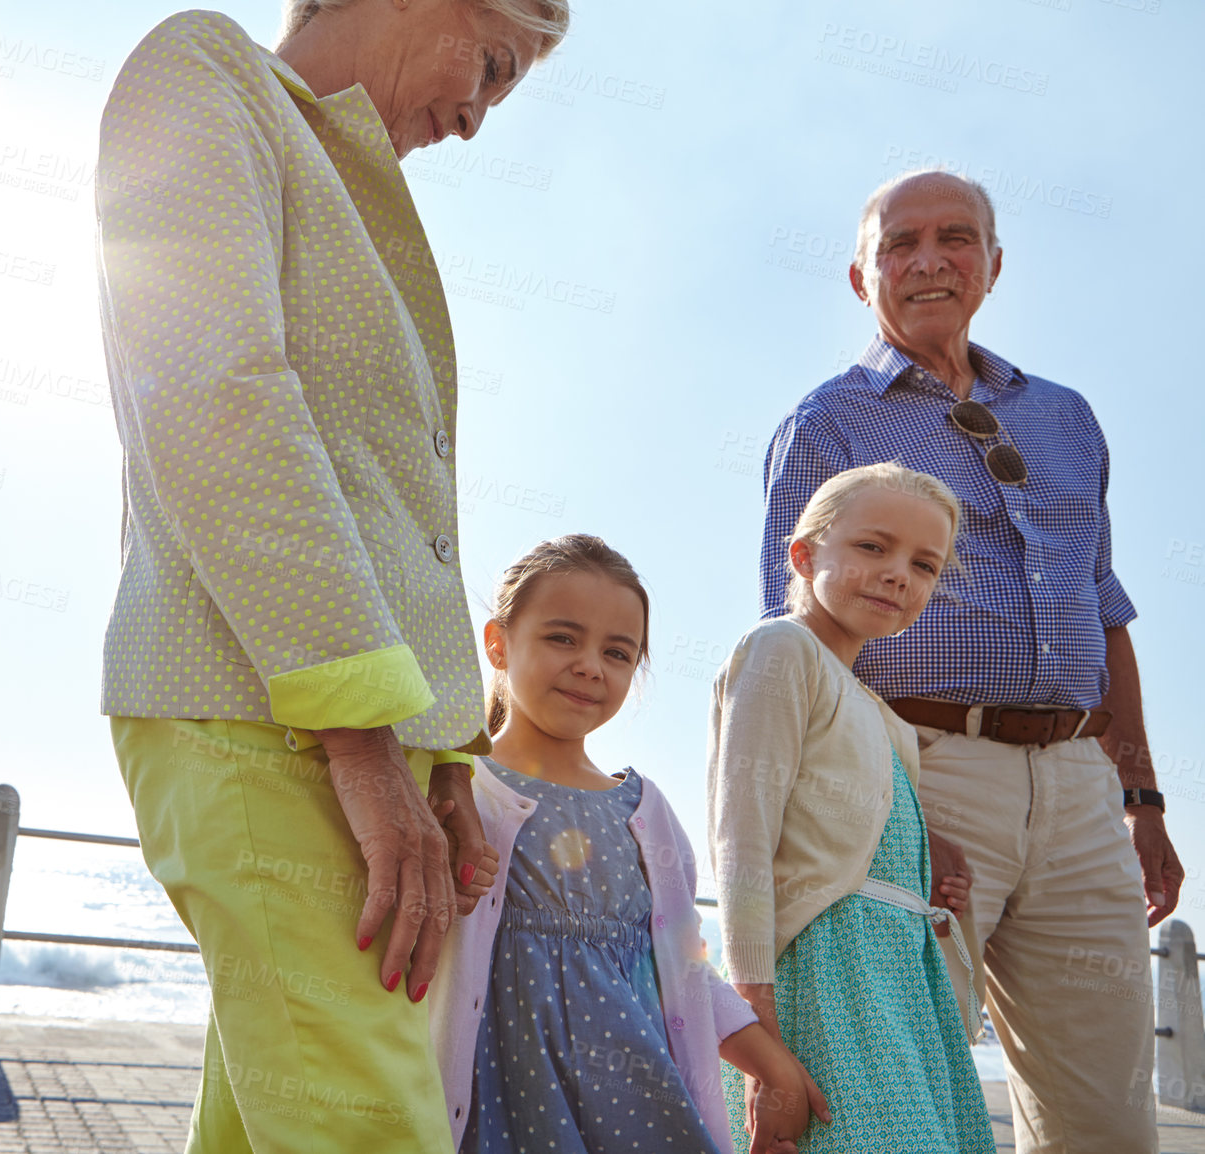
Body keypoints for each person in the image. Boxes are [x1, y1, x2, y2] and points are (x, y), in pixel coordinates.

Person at [93, 1, 569, 1149]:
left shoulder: (335, 167)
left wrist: (442, 750)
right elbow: (215, 386)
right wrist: (363, 742)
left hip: (347, 732)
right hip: (267, 717)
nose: (475, 122)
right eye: (492, 65)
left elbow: (373, 499)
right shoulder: (206, 65)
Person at [759, 168, 1183, 1153]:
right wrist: (893, 812)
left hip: (1082, 784)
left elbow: (1103, 606)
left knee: (1110, 1121)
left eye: (954, 237)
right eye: (897, 243)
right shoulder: (826, 422)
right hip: (921, 771)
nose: (926, 258)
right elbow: (795, 634)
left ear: (993, 264)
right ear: (861, 278)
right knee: (898, 1100)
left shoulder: (1067, 417)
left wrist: (1143, 800)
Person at [429, 534, 826, 1154]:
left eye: (618, 652)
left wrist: (769, 1065)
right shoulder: (456, 788)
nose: (591, 665)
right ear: (498, 644)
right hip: (494, 1111)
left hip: (638, 1112)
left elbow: (682, 967)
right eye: (563, 637)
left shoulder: (646, 811)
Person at [712, 463, 995, 1153]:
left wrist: (923, 884)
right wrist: (760, 1040)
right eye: (874, 547)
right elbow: (741, 841)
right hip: (821, 980)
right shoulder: (783, 649)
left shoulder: (885, 716)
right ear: (804, 556)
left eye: (925, 564)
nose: (900, 573)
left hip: (898, 990)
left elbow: (858, 841)